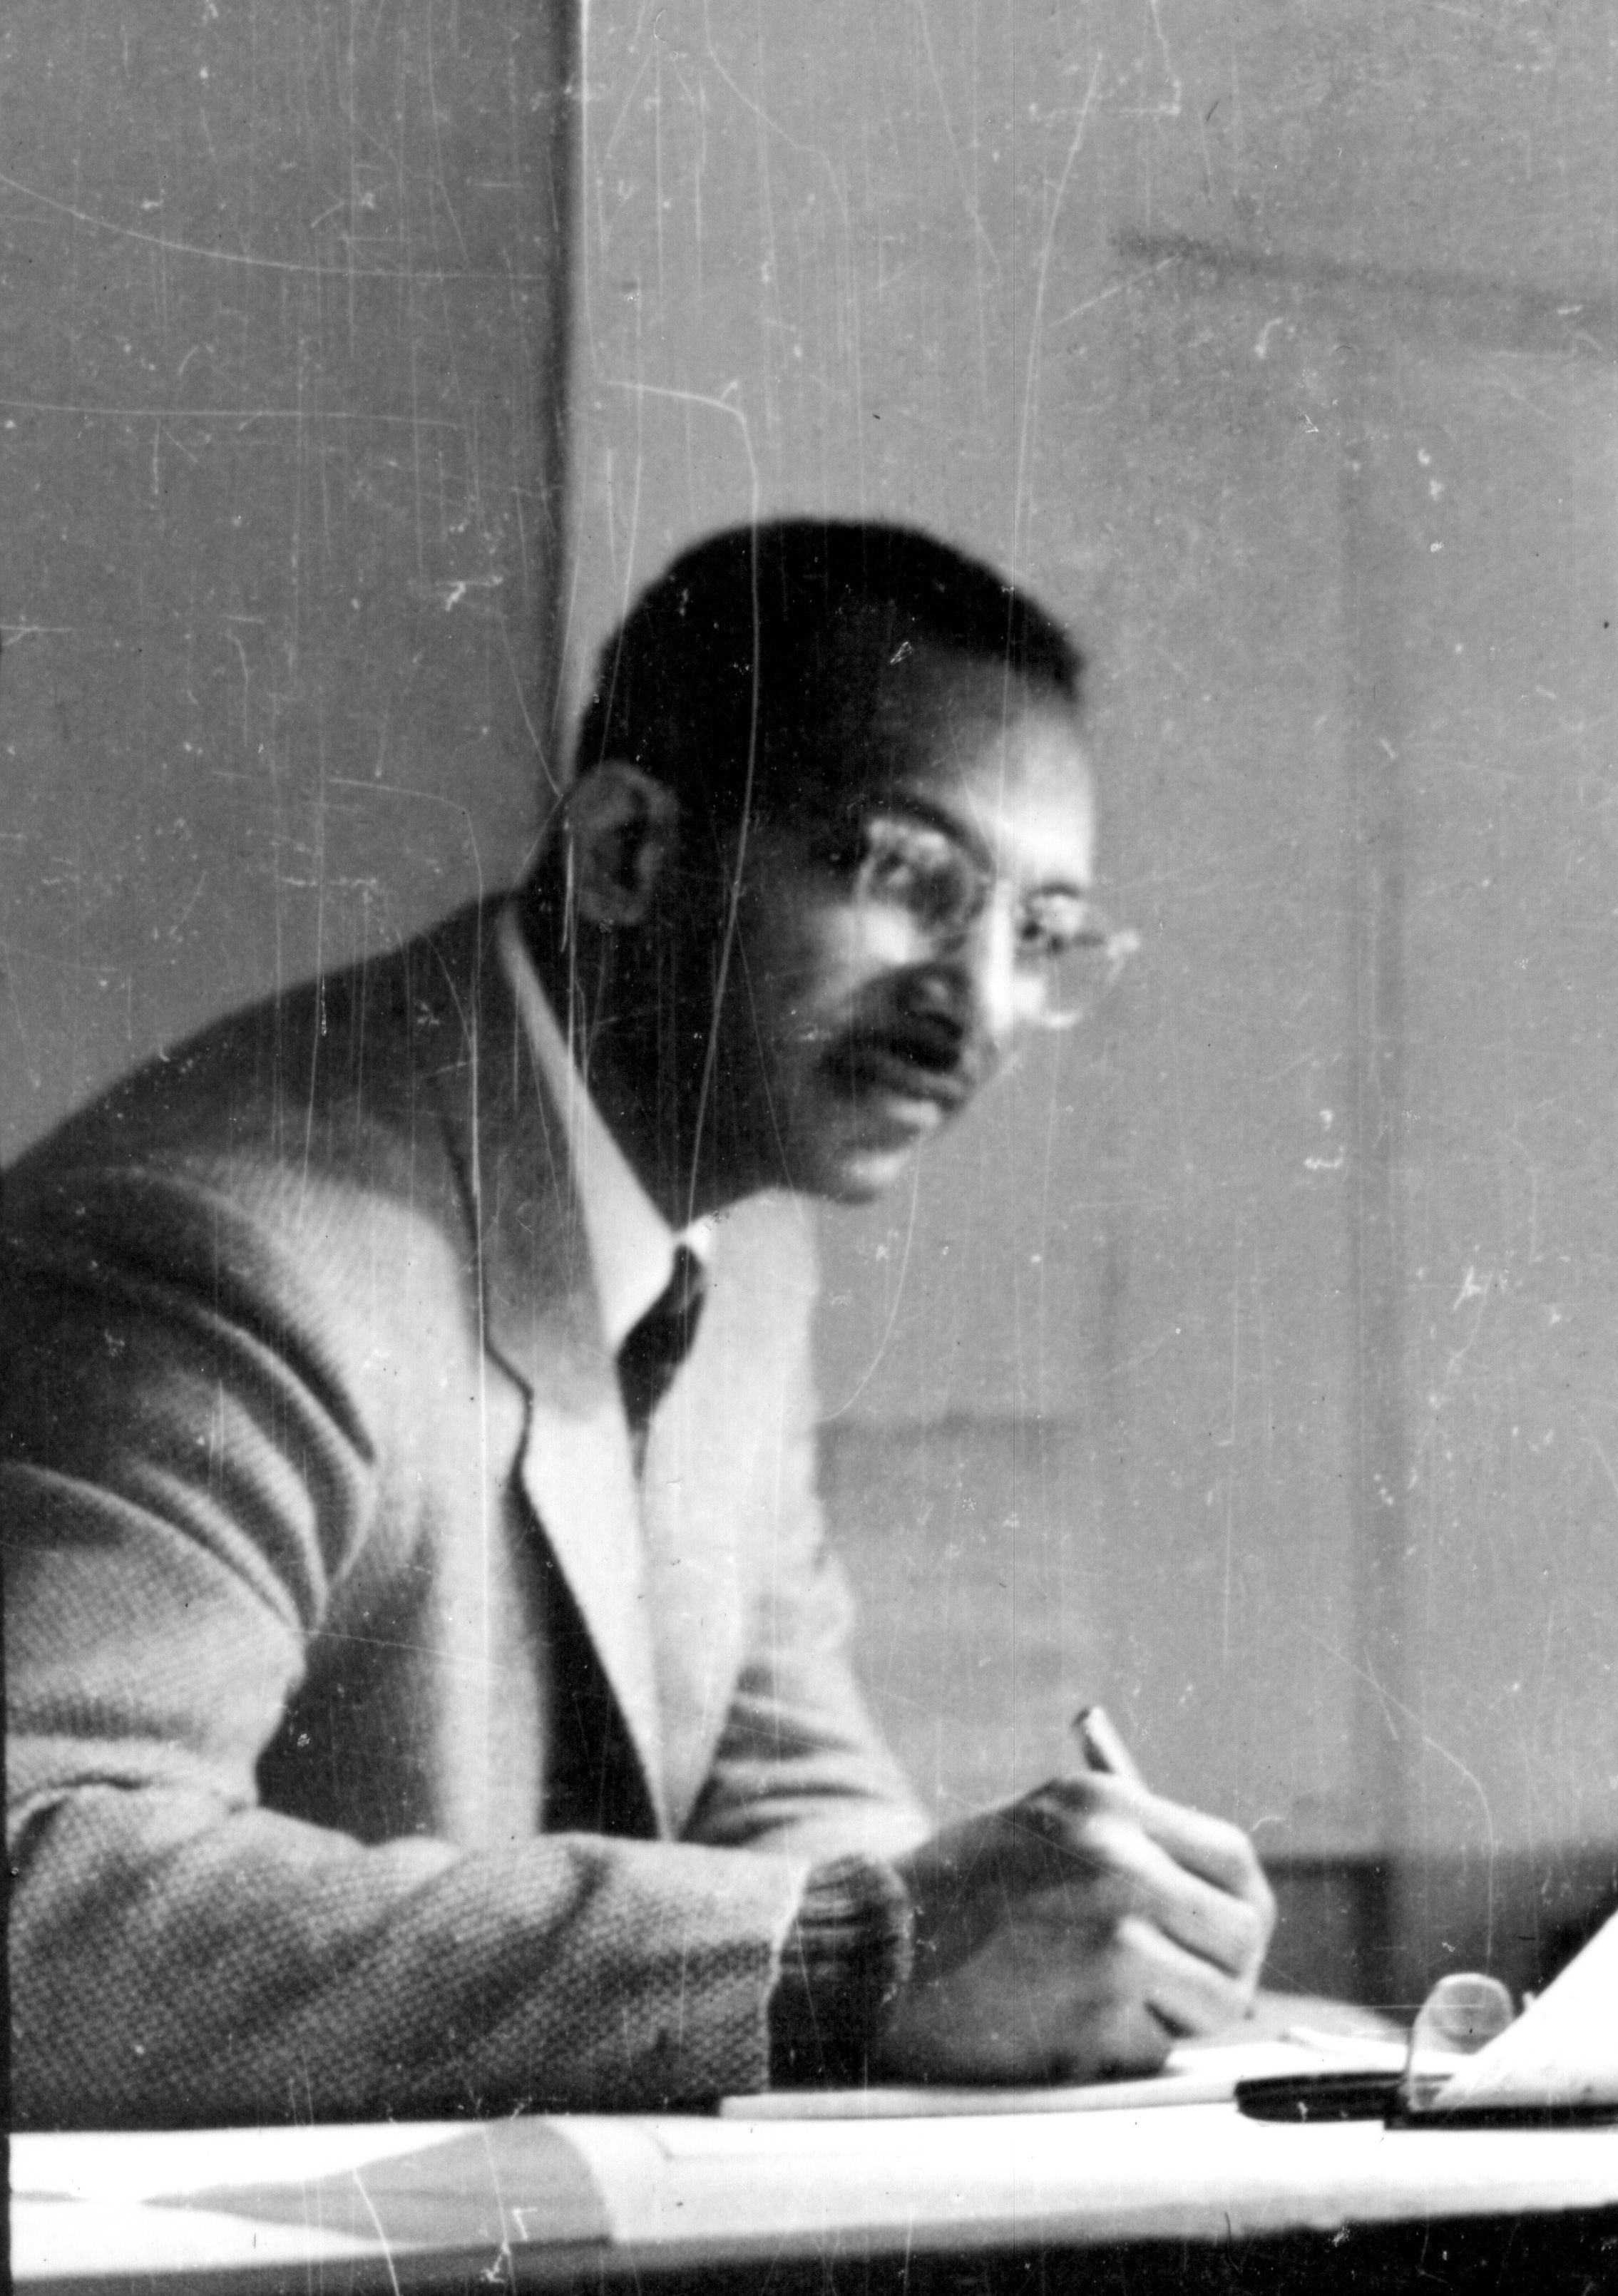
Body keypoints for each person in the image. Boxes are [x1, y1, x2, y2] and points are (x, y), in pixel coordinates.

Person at [3, 520, 1274, 2129]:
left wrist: (1059, 1956)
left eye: (1039, 931)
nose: (984, 1005)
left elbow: (776, 1778)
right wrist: (847, 1958)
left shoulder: (733, 1240)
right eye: (908, 876)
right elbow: (35, 1897)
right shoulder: (247, 1242)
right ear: (626, 851)